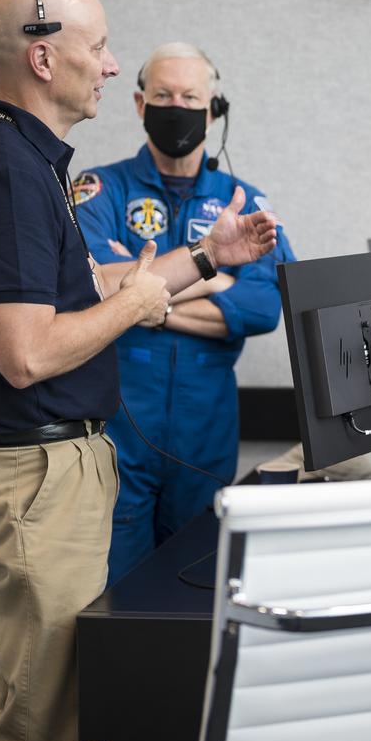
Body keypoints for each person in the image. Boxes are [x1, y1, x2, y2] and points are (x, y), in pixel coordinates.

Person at [0, 0, 278, 741]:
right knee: (42, 722)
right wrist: (143, 300)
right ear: (44, 59)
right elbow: (29, 353)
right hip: (34, 472)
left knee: (66, 693)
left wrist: (202, 259)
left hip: (63, 465)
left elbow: (97, 284)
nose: (114, 68)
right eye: (101, 47)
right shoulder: (8, 172)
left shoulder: (27, 163)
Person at [72, 43, 296, 585]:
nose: (177, 105)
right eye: (164, 95)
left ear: (214, 108)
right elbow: (91, 285)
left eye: (191, 96)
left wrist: (142, 300)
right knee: (115, 595)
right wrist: (212, 274)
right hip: (118, 427)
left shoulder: (244, 203)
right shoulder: (99, 190)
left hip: (206, 429)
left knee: (197, 589)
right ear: (139, 103)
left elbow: (264, 306)